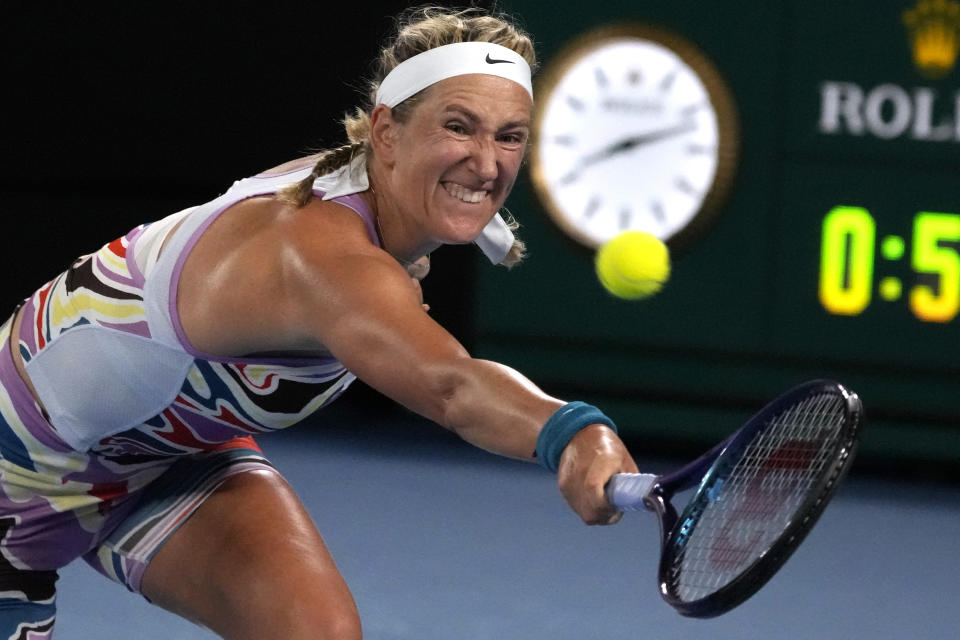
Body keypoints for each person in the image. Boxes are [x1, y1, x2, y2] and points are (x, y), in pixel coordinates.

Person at [0, 5, 638, 639]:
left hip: (157, 463)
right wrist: (574, 433)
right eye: (458, 127)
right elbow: (452, 386)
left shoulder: (376, 204)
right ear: (386, 132)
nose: (487, 163)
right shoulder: (323, 255)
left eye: (509, 135)